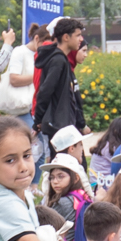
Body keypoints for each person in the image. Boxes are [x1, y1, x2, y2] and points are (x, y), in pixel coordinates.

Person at [33, 17, 89, 160]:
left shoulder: (61, 59)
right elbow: (44, 91)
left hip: (63, 123)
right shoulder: (58, 60)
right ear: (65, 37)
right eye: (77, 35)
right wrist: (38, 120)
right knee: (63, 167)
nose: (80, 39)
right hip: (58, 126)